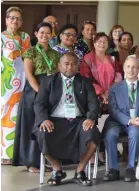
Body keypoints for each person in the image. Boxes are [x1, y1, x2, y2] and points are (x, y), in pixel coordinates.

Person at [34, 53, 100, 186]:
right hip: (54, 121)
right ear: (59, 66)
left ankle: (80, 172)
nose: (70, 67)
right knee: (42, 133)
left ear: (78, 66)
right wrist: (44, 119)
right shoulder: (48, 81)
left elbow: (94, 103)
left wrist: (91, 118)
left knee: (92, 136)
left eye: (74, 64)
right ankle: (57, 169)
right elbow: (39, 104)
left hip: (78, 121)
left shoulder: (85, 82)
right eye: (66, 63)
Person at [14, 22, 59, 173]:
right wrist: (41, 92)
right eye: (42, 32)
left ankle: (45, 160)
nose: (45, 35)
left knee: (46, 125)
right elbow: (29, 74)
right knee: (32, 125)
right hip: (34, 91)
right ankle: (31, 162)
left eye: (48, 33)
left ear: (52, 35)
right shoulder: (30, 52)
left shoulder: (55, 53)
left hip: (50, 89)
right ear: (36, 34)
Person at [101, 56, 139, 182]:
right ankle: (113, 169)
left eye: (134, 67)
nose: (131, 70)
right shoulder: (114, 88)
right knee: (110, 135)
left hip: (137, 122)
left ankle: (131, 168)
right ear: (124, 68)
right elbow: (113, 110)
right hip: (117, 122)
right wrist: (129, 120)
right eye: (128, 66)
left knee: (136, 132)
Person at [80, 32, 122, 108]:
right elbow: (86, 77)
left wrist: (109, 91)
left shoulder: (112, 59)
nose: (102, 44)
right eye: (99, 41)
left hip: (112, 94)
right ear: (94, 43)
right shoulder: (87, 59)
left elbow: (118, 74)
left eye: (105, 41)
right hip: (93, 96)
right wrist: (101, 92)